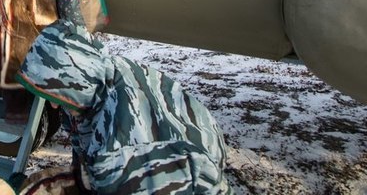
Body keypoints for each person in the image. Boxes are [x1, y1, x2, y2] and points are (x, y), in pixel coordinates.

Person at [16, 20, 234, 194]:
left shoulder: (121, 151)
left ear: (75, 80)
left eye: (56, 95)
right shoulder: (102, 76)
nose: (53, 106)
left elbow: (118, 177)